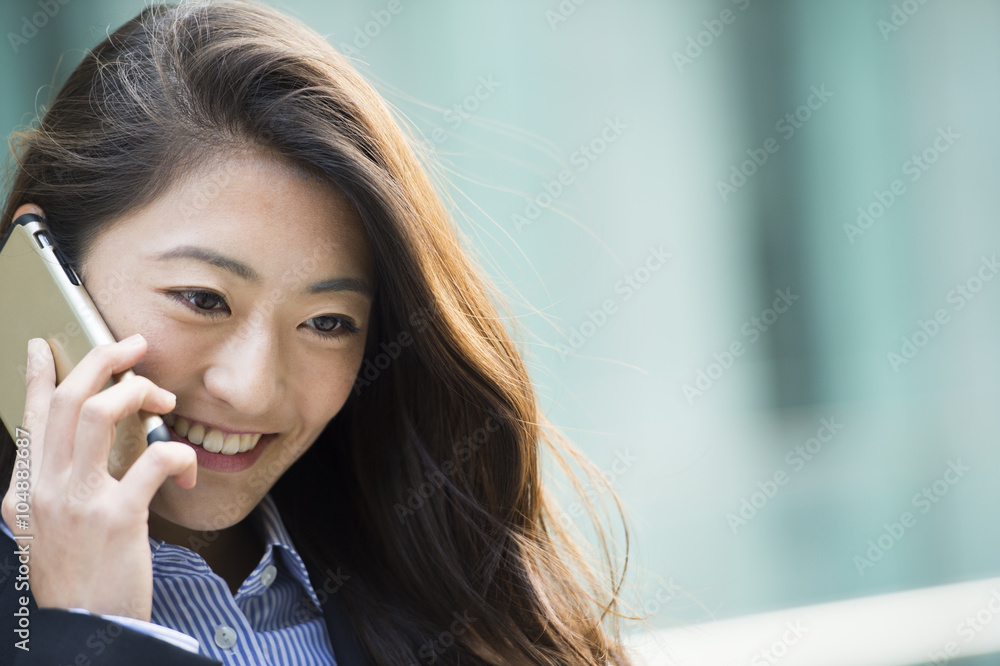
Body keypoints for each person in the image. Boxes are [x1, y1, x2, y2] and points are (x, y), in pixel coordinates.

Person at [0, 1, 633, 664]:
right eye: (203, 299)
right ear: (43, 265)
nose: (249, 390)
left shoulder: (444, 599)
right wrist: (92, 634)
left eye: (327, 323)